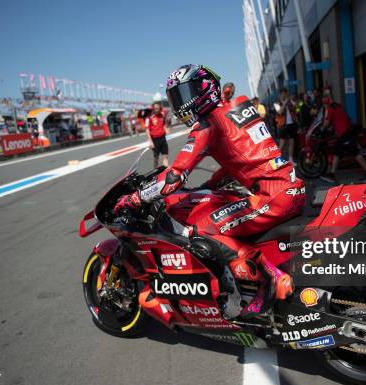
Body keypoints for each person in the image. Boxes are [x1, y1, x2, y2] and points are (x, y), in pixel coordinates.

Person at [114, 64, 305, 318]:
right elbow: (241, 159)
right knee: (217, 206)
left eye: (184, 94)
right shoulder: (239, 106)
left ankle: (269, 280)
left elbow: (172, 178)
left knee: (200, 227)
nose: (180, 104)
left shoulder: (207, 126)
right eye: (176, 98)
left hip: (273, 196)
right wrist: (208, 186)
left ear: (203, 89)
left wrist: (134, 199)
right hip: (290, 186)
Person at [320, 97, 366, 181]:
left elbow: (326, 123)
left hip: (345, 133)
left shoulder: (329, 109)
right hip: (345, 132)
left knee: (354, 152)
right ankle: (332, 174)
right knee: (336, 152)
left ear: (325, 104)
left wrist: (321, 128)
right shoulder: (338, 106)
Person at [275, 88, 298, 165]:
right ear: (280, 94)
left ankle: (290, 160)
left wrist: (290, 101)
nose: (285, 95)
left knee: (292, 142)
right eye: (283, 93)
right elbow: (280, 112)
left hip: (292, 124)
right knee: (282, 143)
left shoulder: (290, 102)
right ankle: (276, 160)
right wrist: (284, 104)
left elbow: (296, 107)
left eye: (286, 93)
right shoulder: (276, 103)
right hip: (282, 126)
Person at [145, 102, 170, 169]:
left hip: (163, 138)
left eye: (158, 108)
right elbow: (147, 130)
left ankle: (166, 171)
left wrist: (166, 129)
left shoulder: (162, 115)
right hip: (154, 140)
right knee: (156, 157)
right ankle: (155, 171)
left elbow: (164, 124)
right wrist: (150, 141)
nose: (157, 110)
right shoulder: (149, 118)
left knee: (165, 156)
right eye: (155, 108)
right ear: (153, 108)